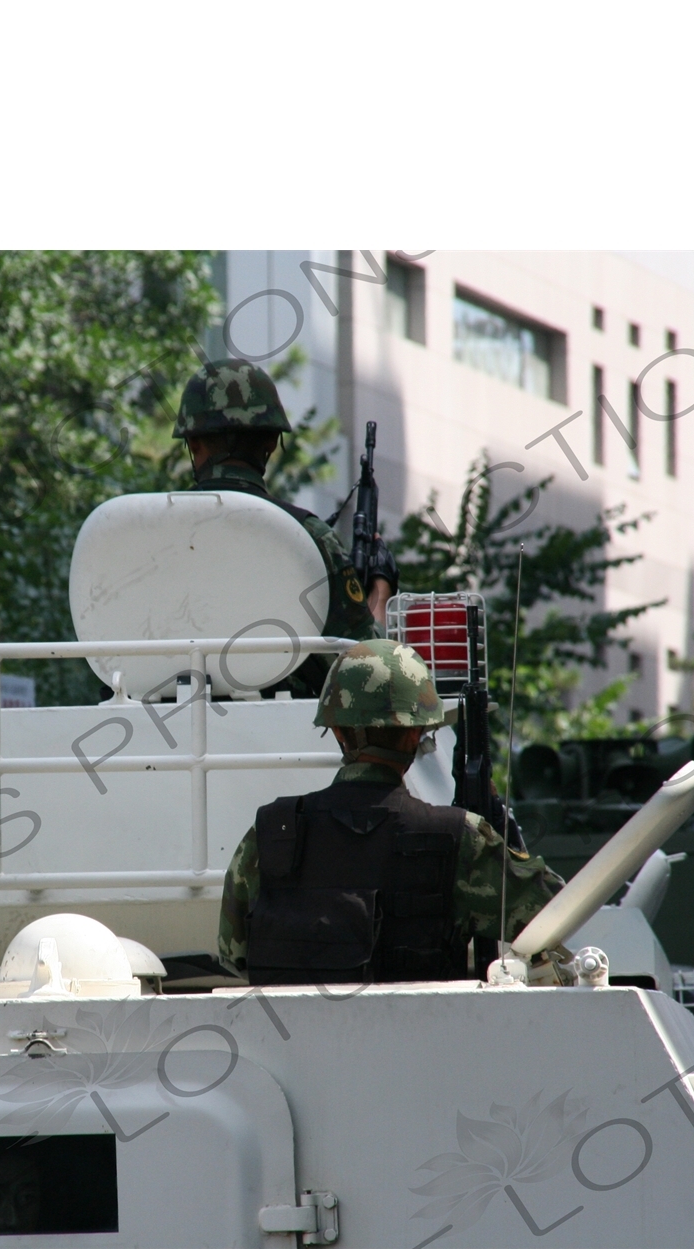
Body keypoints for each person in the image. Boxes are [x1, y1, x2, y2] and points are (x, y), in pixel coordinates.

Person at [217, 639, 563, 984]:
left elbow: (234, 954)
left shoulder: (272, 831)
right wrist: (501, 825)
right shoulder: (460, 838)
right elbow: (553, 911)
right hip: (416, 1036)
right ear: (417, 733)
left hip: (290, 1036)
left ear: (337, 730)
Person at [173, 357, 398, 693]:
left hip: (154, 721)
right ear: (270, 442)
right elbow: (367, 664)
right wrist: (380, 594)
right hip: (283, 730)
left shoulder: (139, 532)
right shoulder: (306, 538)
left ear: (193, 443)